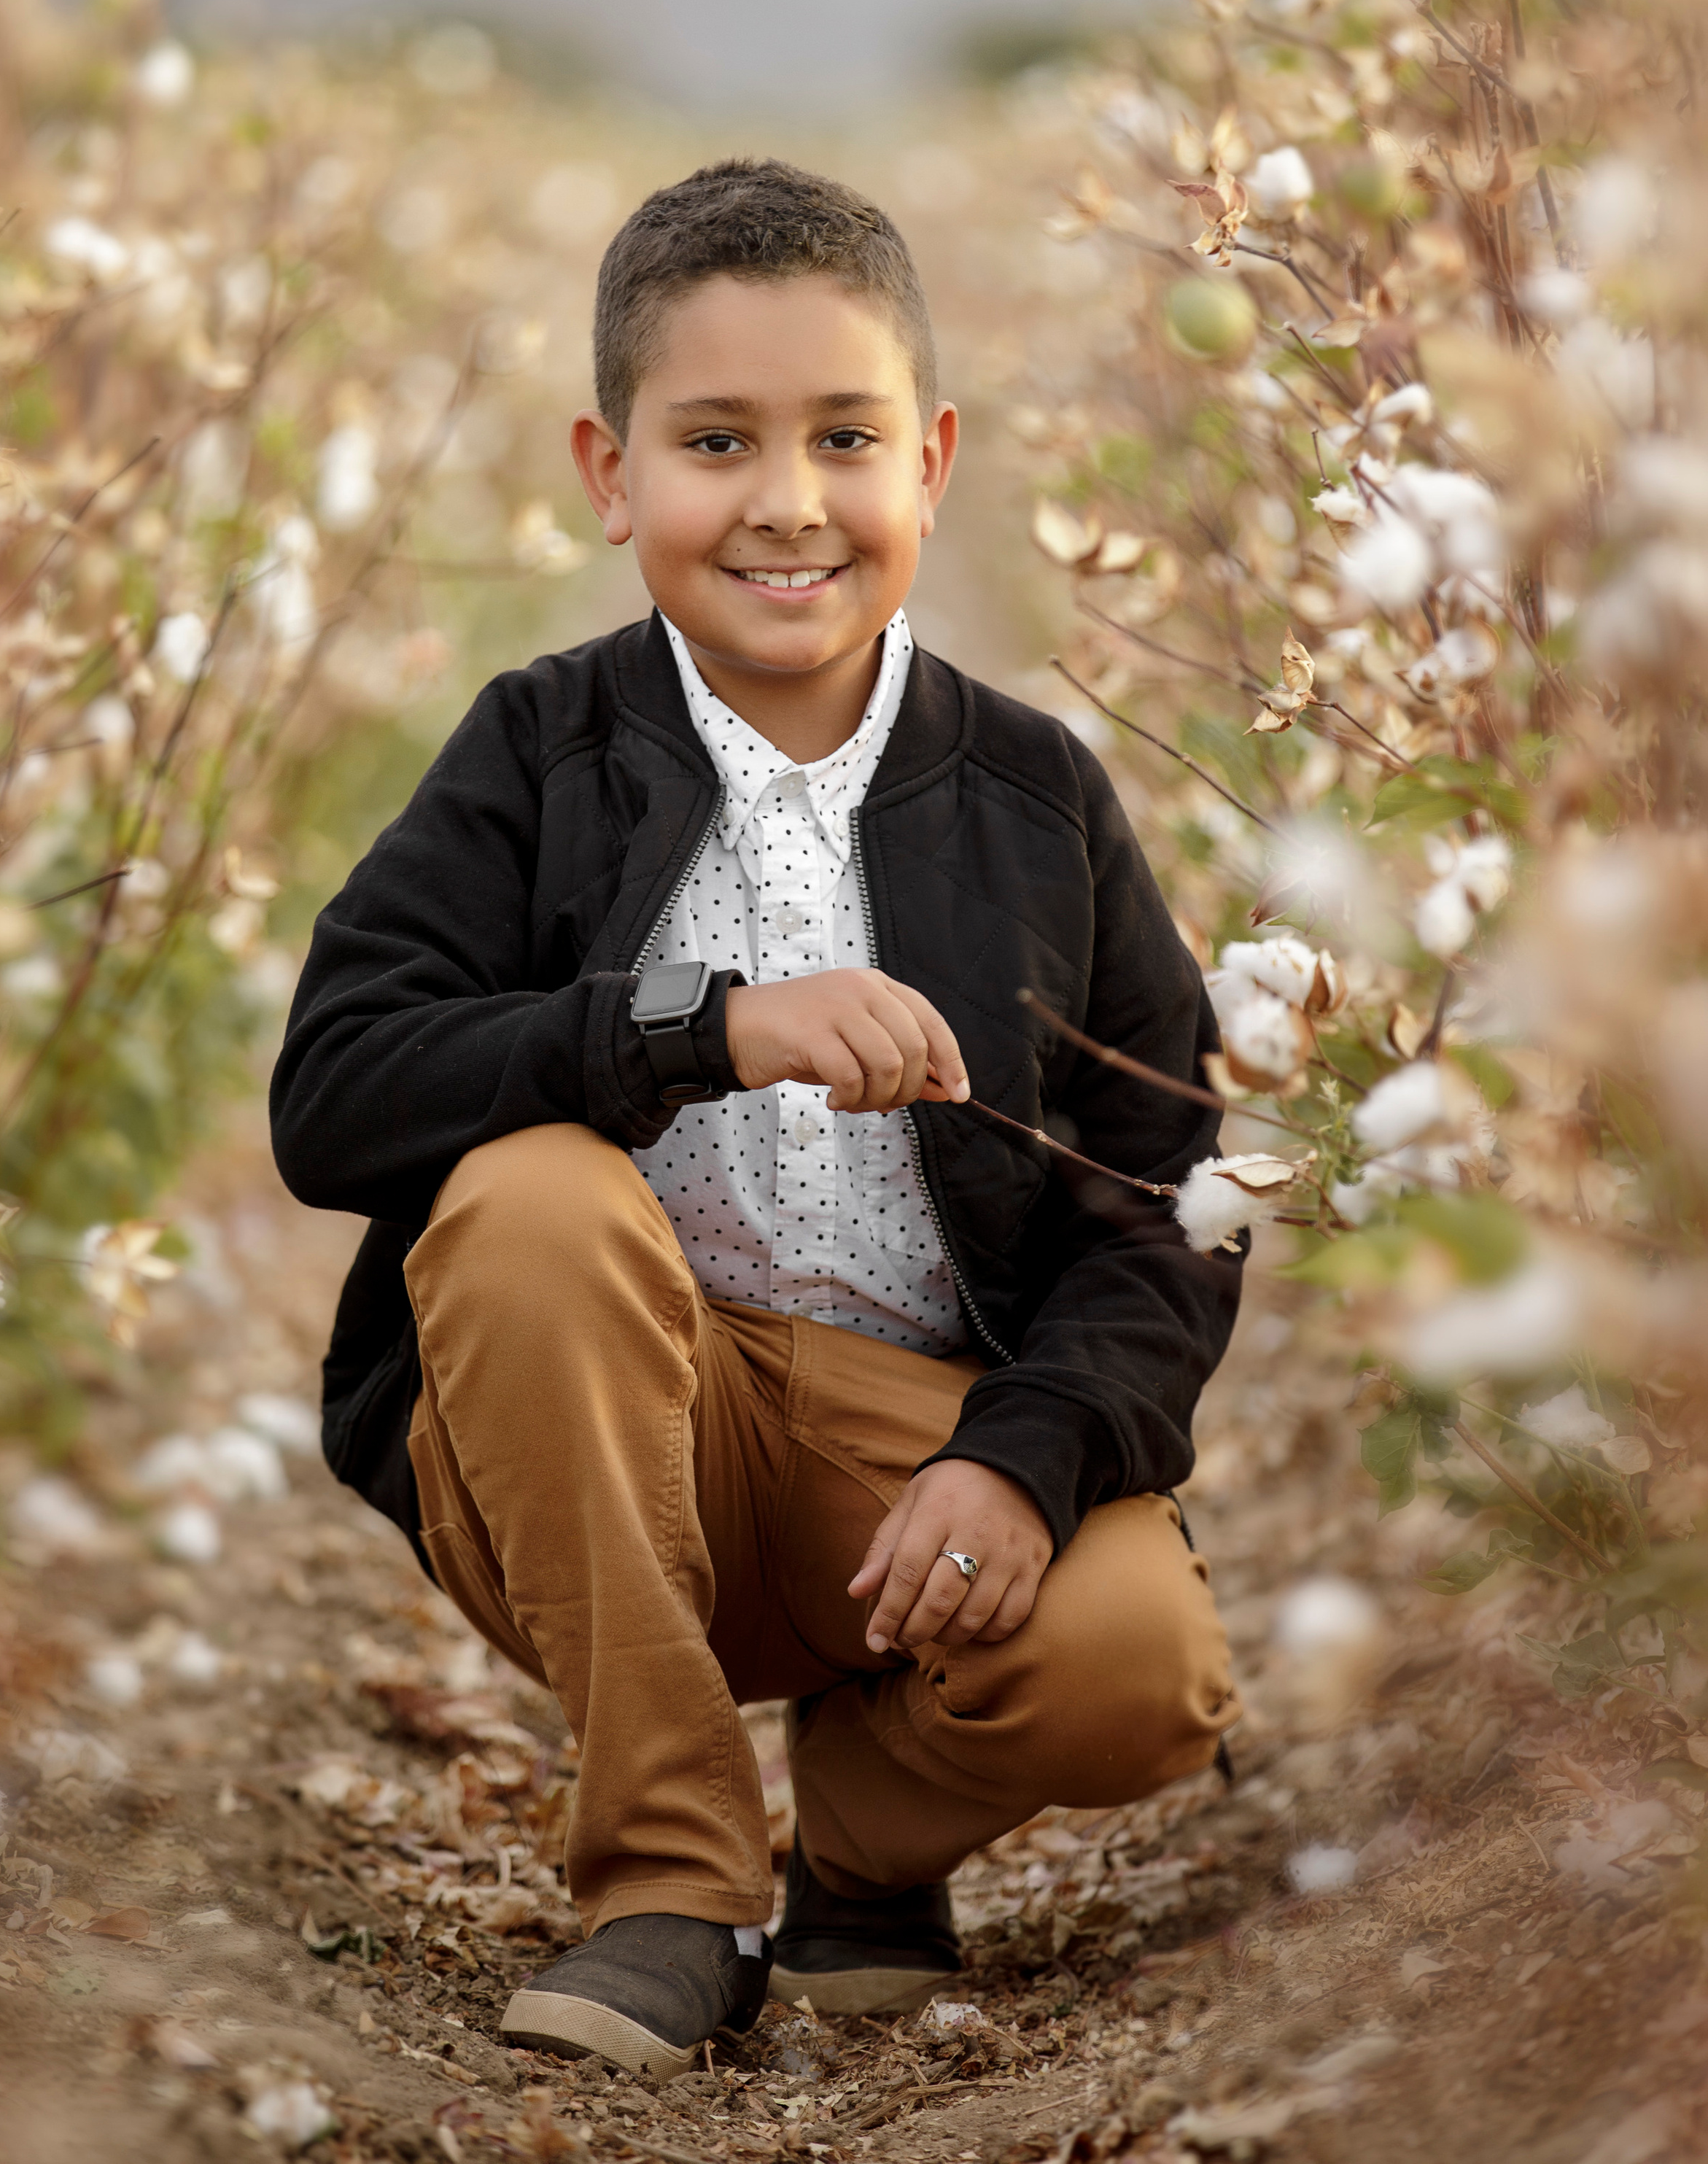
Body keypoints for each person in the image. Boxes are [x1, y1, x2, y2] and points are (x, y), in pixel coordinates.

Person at [270, 158, 1243, 2084]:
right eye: (717, 440)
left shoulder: (1037, 793)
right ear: (612, 474)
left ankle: (866, 1844)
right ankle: (670, 1880)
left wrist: (1028, 1455)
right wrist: (697, 1028)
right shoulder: (540, 749)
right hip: (600, 1434)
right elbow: (338, 1091)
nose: (788, 500)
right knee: (533, 1203)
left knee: (1152, 1667)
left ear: (932, 463)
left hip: (913, 1446)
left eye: (845, 437)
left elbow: (1165, 1193)